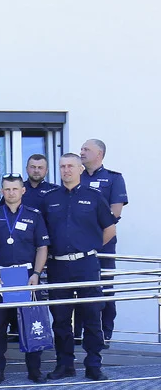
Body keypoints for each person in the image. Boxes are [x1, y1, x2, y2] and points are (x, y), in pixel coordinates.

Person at [43, 153, 117, 381]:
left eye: (70, 166)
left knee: (92, 315)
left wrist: (90, 248)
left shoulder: (94, 197)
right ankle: (64, 365)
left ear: (80, 169)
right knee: (61, 319)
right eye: (62, 166)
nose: (66, 170)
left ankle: (93, 364)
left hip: (86, 265)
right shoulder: (50, 198)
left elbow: (110, 229)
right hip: (58, 267)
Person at [0, 175, 49, 384]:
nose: (11, 193)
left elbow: (42, 247)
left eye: (15, 189)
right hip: (2, 278)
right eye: (7, 189)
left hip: (27, 277)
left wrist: (37, 274)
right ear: (1, 191)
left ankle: (34, 371)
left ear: (23, 191)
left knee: (31, 325)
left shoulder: (34, 215)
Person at [80, 138, 127, 342]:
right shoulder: (76, 177)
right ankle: (80, 333)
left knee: (105, 285)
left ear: (99, 154)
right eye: (81, 149)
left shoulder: (113, 178)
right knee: (81, 287)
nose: (81, 152)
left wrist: (94, 237)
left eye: (86, 149)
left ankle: (106, 332)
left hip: (103, 242)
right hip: (79, 243)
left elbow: (115, 213)